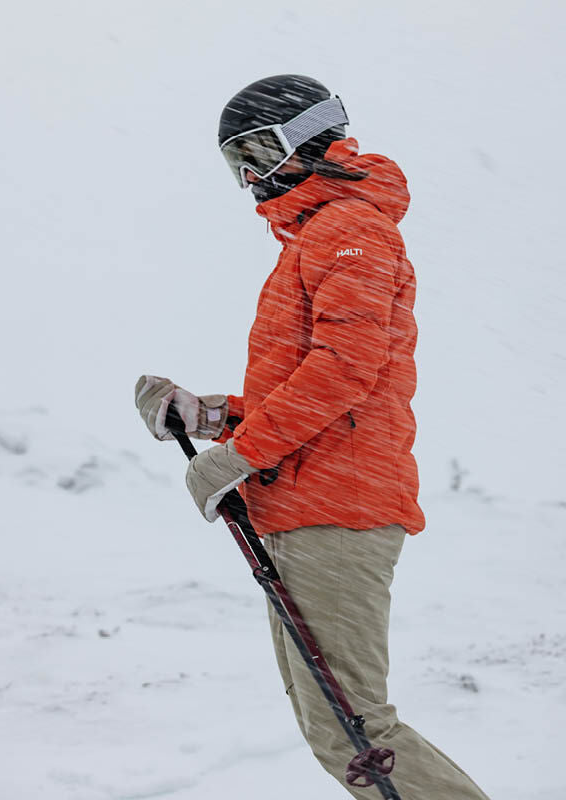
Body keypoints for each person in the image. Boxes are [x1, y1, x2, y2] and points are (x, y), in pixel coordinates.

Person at [135, 74, 490, 799]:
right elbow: (301, 388)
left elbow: (343, 370)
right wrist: (206, 417)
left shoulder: (350, 228)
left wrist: (237, 457)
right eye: (236, 162)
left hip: (338, 509)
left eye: (258, 151)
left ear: (307, 138)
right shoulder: (315, 239)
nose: (249, 177)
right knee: (338, 731)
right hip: (303, 509)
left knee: (360, 733)